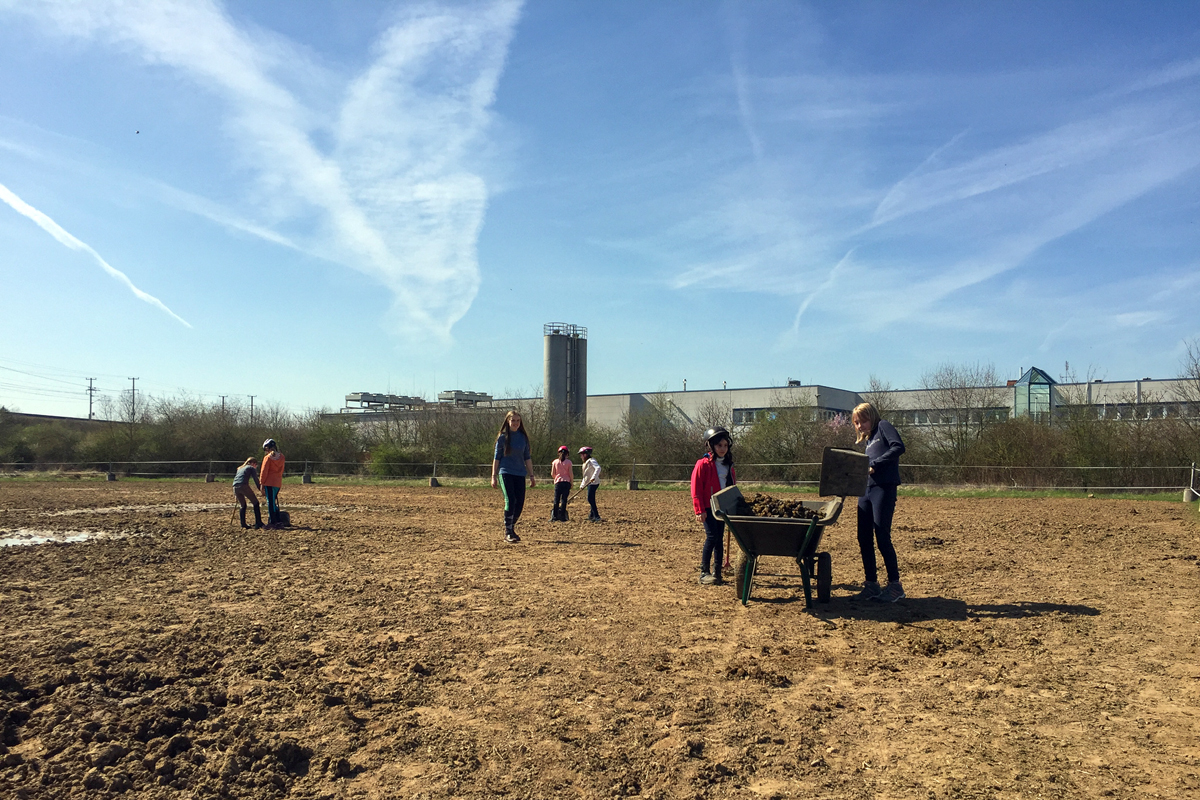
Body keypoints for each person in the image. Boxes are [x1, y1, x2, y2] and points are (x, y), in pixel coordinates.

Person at [851, 402, 907, 603]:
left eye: (863, 421)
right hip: (865, 490)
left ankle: (895, 585)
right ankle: (871, 584)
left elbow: (898, 447)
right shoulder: (869, 441)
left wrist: (874, 464)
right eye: (856, 423)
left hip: (883, 487)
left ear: (872, 417)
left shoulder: (883, 426)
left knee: (882, 535)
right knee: (863, 537)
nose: (860, 426)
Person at [691, 426, 736, 585]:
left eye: (725, 445)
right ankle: (704, 572)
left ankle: (717, 572)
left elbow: (731, 487)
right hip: (708, 507)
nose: (722, 449)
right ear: (711, 446)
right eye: (719, 445)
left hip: (722, 507)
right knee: (712, 537)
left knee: (719, 539)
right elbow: (696, 489)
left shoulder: (729, 466)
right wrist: (699, 510)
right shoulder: (702, 464)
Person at [491, 410, 535, 543]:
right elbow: (496, 458)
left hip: (520, 473)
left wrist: (531, 475)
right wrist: (493, 476)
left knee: (520, 503)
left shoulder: (523, 437)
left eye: (518, 421)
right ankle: (508, 531)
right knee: (510, 499)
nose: (515, 423)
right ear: (508, 422)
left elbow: (527, 457)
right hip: (505, 472)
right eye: (513, 420)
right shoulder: (502, 438)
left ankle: (511, 526)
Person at [260, 438, 286, 529]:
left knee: (270, 502)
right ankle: (278, 521)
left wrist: (262, 483)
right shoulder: (282, 457)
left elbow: (264, 471)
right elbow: (281, 470)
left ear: (267, 448)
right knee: (273, 502)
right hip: (278, 482)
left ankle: (273, 522)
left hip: (269, 482)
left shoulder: (267, 458)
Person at [232, 456, 264, 529]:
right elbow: (256, 479)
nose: (256, 467)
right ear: (253, 463)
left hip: (235, 486)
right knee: (256, 503)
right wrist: (261, 489)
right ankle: (258, 522)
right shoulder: (251, 468)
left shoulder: (239, 468)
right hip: (243, 486)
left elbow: (236, 479)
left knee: (243, 505)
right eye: (256, 465)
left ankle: (243, 524)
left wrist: (235, 495)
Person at [578, 446, 601, 522]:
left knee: (590, 499)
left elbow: (598, 468)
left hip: (593, 483)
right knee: (591, 498)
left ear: (586, 454)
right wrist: (582, 485)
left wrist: (593, 477)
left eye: (581, 454)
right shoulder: (585, 463)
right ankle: (591, 515)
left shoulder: (591, 461)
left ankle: (597, 516)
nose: (580, 456)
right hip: (589, 483)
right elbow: (585, 476)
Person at [550, 445, 573, 522]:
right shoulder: (569, 462)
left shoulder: (555, 462)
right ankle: (562, 516)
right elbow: (571, 474)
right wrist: (571, 482)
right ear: (567, 454)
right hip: (566, 483)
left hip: (558, 482)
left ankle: (554, 516)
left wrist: (556, 478)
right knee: (564, 500)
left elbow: (552, 474)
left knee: (556, 499)